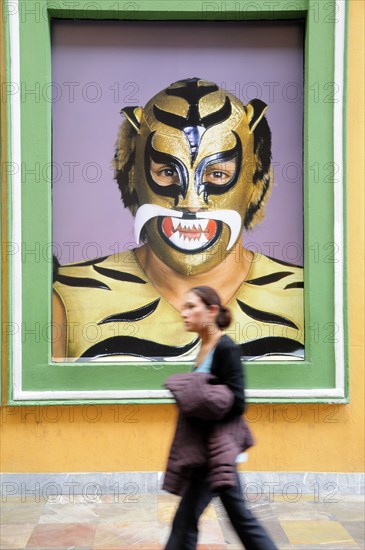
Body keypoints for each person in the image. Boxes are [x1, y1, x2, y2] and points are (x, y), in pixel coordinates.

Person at [53, 77, 303, 361]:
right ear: (135, 177)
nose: (191, 203)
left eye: (217, 174)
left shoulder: (306, 295)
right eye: (167, 172)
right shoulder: (65, 295)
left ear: (254, 181)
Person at [163, 285, 278, 550]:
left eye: (191, 306)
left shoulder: (226, 348)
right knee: (237, 517)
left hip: (217, 450)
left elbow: (238, 402)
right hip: (209, 450)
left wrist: (197, 396)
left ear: (212, 310)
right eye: (184, 306)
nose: (184, 313)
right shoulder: (204, 347)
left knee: (186, 520)